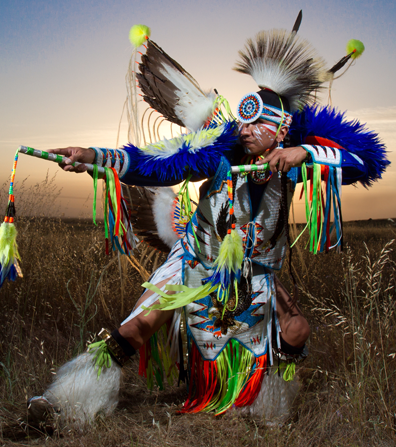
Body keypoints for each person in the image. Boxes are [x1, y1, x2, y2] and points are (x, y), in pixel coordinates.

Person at [27, 25, 388, 425]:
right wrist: (92, 155)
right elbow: (156, 164)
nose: (246, 131)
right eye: (244, 123)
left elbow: (368, 160)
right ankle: (64, 406)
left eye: (258, 126)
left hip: (255, 272)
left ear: (282, 130)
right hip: (196, 262)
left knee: (296, 330)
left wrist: (305, 152)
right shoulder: (219, 152)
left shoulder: (295, 164)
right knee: (136, 329)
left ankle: (266, 409)